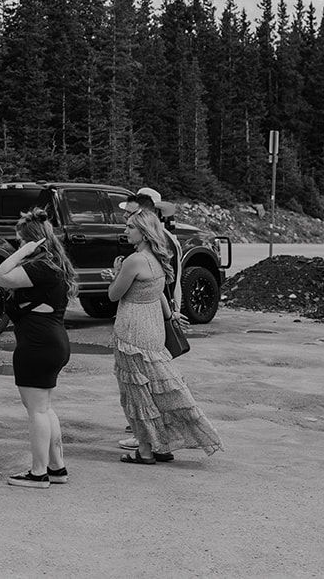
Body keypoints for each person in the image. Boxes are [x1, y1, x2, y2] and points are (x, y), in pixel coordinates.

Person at [108, 190, 222, 464]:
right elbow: (159, 292)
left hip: (132, 327)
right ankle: (162, 445)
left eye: (130, 227)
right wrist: (171, 315)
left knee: (137, 391)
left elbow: (114, 295)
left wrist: (115, 273)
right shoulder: (159, 259)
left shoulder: (134, 261)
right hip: (153, 327)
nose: (126, 231)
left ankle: (145, 451)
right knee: (160, 388)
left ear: (144, 232)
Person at [0, 208, 74, 489]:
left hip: (39, 345)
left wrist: (23, 251)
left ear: (31, 241)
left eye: (19, 240)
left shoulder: (39, 267)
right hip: (50, 341)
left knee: (37, 411)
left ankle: (38, 473)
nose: (16, 245)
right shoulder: (52, 265)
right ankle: (56, 467)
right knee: (43, 408)